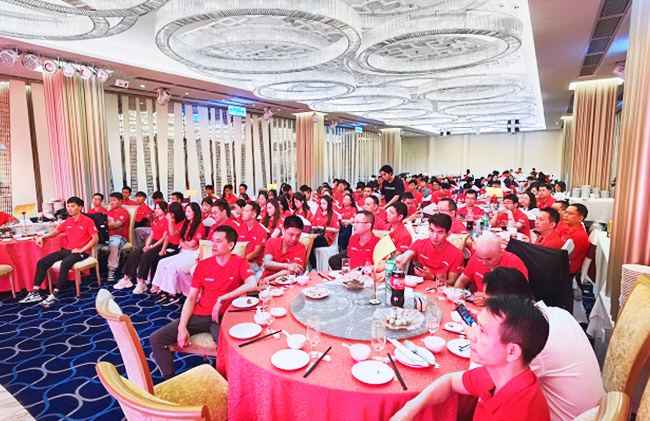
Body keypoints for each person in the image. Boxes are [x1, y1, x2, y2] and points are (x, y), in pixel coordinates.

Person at [390, 294, 550, 421]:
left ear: (512, 352)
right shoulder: (500, 375)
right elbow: (451, 382)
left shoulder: (518, 412)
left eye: (483, 331)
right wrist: (409, 409)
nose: (472, 335)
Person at [483, 268, 604, 421]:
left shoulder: (534, 340)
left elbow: (489, 381)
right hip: (595, 412)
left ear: (507, 308)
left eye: (489, 306)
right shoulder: (558, 313)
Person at [150, 225, 256, 380]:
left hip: (224, 316)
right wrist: (182, 326)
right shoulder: (203, 266)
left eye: (218, 241)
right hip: (200, 314)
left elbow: (252, 284)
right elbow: (191, 298)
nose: (213, 245)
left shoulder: (240, 262)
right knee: (157, 338)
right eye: (212, 240)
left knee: (229, 349)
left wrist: (222, 299)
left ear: (230, 245)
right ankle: (170, 381)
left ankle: (227, 384)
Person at [19, 197, 99, 307]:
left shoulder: (88, 221)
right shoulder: (68, 221)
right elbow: (55, 233)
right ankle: (35, 292)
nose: (70, 209)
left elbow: (95, 239)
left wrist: (81, 249)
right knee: (42, 262)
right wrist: (43, 237)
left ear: (80, 207)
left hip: (81, 252)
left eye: (73, 206)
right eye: (68, 206)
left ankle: (54, 294)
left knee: (65, 263)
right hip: (68, 250)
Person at [151, 203, 206, 306]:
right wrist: (185, 244)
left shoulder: (199, 225)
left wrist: (184, 243)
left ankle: (172, 294)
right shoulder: (187, 223)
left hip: (194, 253)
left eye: (189, 212)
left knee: (171, 267)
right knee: (162, 262)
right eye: (186, 212)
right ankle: (162, 289)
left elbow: (191, 244)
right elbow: (181, 240)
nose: (187, 214)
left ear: (195, 212)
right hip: (185, 251)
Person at [454, 233, 528, 303]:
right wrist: (456, 298)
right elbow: (461, 281)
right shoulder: (475, 259)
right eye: (479, 257)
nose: (483, 262)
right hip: (478, 304)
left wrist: (490, 300)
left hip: (504, 307)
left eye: (488, 259)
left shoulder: (514, 264)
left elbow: (521, 298)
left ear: (501, 252)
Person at [115, 201, 170, 293]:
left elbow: (164, 238)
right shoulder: (156, 221)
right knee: (134, 253)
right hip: (152, 242)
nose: (156, 210)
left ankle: (142, 282)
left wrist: (151, 247)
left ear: (164, 210)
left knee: (145, 256)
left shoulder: (167, 221)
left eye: (159, 209)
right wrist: (147, 245)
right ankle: (126, 278)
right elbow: (151, 235)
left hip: (160, 244)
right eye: (156, 208)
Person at [396, 214, 463, 284]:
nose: (435, 236)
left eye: (440, 232)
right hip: (417, 285)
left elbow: (452, 282)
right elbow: (406, 255)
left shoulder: (457, 254)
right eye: (432, 231)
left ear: (448, 233)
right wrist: (401, 259)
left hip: (439, 288)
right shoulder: (419, 244)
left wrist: (432, 277)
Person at [260, 216, 307, 282]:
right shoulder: (271, 242)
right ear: (283, 231)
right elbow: (267, 263)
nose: (294, 239)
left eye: (298, 235)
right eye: (291, 235)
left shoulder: (300, 248)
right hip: (265, 281)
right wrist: (287, 266)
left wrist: (268, 279)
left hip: (286, 282)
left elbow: (291, 271)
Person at [309, 196, 340, 268]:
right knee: (307, 242)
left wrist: (324, 228)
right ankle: (312, 265)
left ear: (329, 204)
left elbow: (337, 229)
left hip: (327, 238)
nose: (322, 205)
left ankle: (314, 267)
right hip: (317, 234)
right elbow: (313, 225)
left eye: (324, 203)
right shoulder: (318, 214)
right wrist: (315, 227)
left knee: (311, 242)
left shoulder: (333, 215)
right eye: (321, 203)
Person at [106, 192, 131, 281]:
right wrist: (112, 226)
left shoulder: (124, 212)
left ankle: (111, 270)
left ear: (120, 201)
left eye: (114, 200)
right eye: (111, 200)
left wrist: (107, 225)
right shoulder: (108, 212)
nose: (111, 202)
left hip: (119, 236)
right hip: (106, 236)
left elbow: (117, 225)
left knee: (114, 245)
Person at [236, 203, 268, 273]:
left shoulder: (261, 231)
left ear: (253, 215)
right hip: (239, 260)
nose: (243, 213)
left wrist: (241, 261)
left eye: (246, 211)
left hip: (253, 263)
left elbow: (256, 253)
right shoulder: (240, 228)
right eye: (243, 210)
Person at [561, 204, 590, 275]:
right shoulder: (569, 228)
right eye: (565, 212)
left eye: (570, 214)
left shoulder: (578, 235)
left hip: (566, 270)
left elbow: (566, 258)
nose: (565, 215)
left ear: (580, 218)